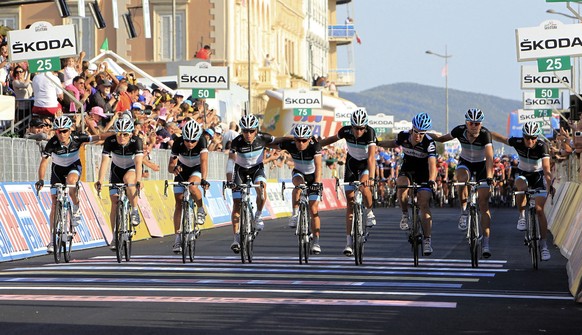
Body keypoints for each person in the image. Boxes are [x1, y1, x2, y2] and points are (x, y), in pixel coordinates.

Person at [35, 116, 107, 253]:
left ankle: (76, 207)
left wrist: (117, 134)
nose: (61, 134)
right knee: (54, 204)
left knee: (71, 182)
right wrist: (41, 179)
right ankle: (51, 240)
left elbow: (99, 136)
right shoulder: (52, 143)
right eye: (58, 131)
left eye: (64, 131)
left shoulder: (78, 138)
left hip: (73, 168)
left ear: (70, 131)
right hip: (57, 171)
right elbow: (44, 162)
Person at [432, 108, 495, 258]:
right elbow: (441, 139)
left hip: (482, 166)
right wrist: (422, 133)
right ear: (466, 123)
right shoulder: (459, 130)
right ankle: (464, 210)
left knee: (484, 203)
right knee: (461, 180)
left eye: (477, 123)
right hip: (465, 162)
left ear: (481, 124)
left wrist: (490, 176)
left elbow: (490, 157)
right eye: (471, 123)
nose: (474, 126)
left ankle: (486, 242)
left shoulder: (486, 134)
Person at [490, 121, 552, 261]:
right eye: (527, 138)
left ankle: (543, 246)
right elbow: (501, 138)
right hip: (523, 173)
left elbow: (547, 169)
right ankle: (522, 216)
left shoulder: (543, 146)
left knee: (540, 210)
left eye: (533, 138)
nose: (530, 141)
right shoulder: (517, 141)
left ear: (537, 137)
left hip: (537, 175)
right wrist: (485, 132)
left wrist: (549, 184)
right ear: (523, 136)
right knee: (520, 188)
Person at [320, 108, 377, 257]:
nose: (358, 131)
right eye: (355, 128)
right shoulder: (345, 131)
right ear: (351, 126)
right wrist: (318, 144)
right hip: (351, 164)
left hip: (365, 164)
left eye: (361, 128)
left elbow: (371, 158)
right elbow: (332, 139)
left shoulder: (370, 132)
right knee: (350, 203)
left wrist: (371, 177)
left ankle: (370, 212)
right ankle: (349, 242)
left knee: (365, 187)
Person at [378, 113, 437, 256]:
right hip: (408, 169)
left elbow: (432, 166)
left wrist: (432, 180)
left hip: (423, 172)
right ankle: (405, 214)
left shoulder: (429, 143)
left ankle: (427, 240)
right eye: (416, 132)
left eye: (422, 133)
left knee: (424, 203)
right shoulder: (403, 136)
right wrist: (377, 142)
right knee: (402, 185)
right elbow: (393, 143)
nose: (418, 135)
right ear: (412, 129)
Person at [227, 114, 284, 253]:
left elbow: (280, 141)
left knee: (262, 191)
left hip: (256, 169)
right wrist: (229, 180)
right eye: (245, 131)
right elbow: (230, 161)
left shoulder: (263, 138)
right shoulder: (236, 142)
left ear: (256, 131)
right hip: (240, 171)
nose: (248, 134)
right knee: (236, 204)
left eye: (251, 131)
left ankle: (258, 216)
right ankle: (235, 239)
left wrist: (292, 141)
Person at [95, 118, 144, 249]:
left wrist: (138, 180)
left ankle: (134, 210)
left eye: (125, 134)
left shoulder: (136, 142)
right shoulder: (109, 142)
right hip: (116, 170)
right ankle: (115, 235)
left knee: (128, 180)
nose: (122, 137)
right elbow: (104, 162)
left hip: (131, 168)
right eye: (119, 134)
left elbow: (139, 163)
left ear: (130, 134)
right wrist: (100, 179)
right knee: (114, 203)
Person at [275, 124, 323, 254]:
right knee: (298, 185)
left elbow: (319, 166)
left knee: (313, 210)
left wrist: (317, 183)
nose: (300, 143)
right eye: (298, 140)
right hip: (299, 173)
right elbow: (272, 143)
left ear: (309, 139)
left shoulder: (315, 146)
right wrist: (287, 138)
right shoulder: (290, 145)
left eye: (304, 140)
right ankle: (295, 214)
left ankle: (316, 241)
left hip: (313, 176)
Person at [168, 121, 209, 253]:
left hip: (196, 169)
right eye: (187, 140)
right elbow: (170, 166)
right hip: (182, 170)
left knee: (192, 186)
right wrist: (174, 168)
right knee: (178, 202)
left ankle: (201, 208)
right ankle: (177, 238)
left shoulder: (202, 141)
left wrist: (203, 179)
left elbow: (204, 161)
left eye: (193, 141)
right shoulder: (178, 143)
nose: (190, 144)